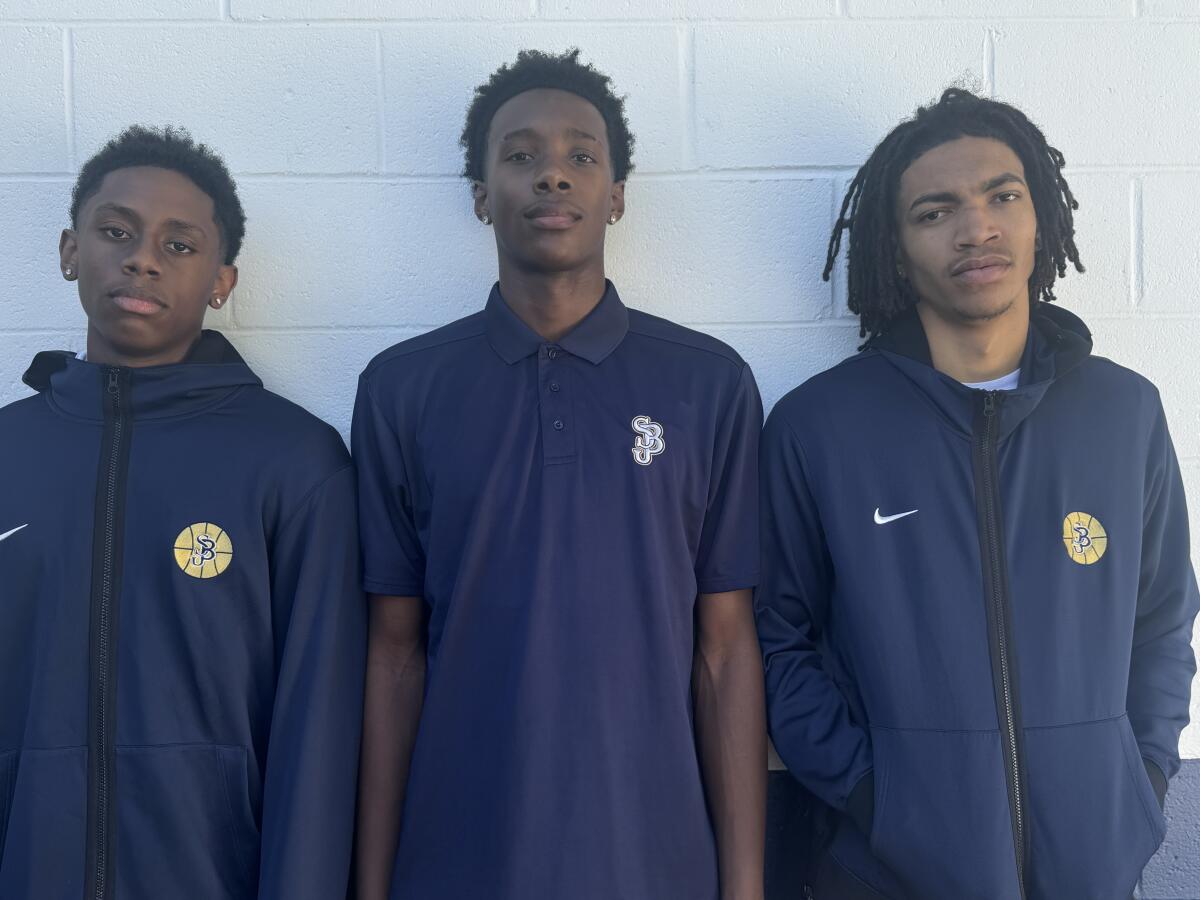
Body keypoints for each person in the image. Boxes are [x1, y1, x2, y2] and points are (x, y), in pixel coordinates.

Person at [757, 88, 1199, 899]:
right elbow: (778, 640)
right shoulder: (818, 427)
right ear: (895, 248)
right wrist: (875, 800)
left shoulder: (1123, 412)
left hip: (1093, 868)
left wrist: (1137, 787)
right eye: (936, 211)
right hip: (890, 871)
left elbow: (1164, 619)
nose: (978, 228)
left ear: (1040, 220)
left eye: (1003, 196)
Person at [353, 48, 766, 900]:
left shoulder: (708, 383)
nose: (552, 176)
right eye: (520, 156)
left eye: (582, 156)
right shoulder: (402, 389)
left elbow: (725, 652)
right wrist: (372, 881)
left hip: (657, 859)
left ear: (616, 195)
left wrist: (746, 884)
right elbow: (394, 657)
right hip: (459, 855)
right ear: (480, 196)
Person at [0, 126, 366, 899]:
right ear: (70, 251)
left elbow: (319, 733)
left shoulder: (296, 464)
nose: (141, 258)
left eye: (179, 245)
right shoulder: (9, 451)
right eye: (115, 232)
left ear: (222, 281)